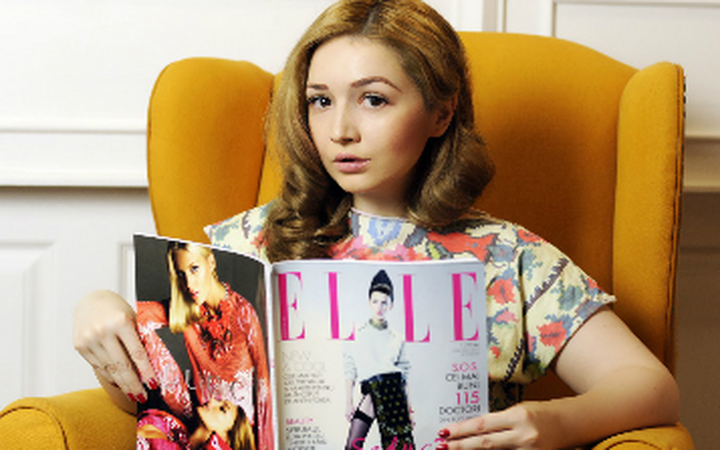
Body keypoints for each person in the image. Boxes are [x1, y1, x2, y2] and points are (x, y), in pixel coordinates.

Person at [74, 0, 681, 448]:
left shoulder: (506, 257)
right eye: (320, 100)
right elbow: (167, 403)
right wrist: (103, 316)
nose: (340, 130)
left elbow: (649, 385)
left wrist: (553, 422)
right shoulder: (248, 244)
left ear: (441, 112)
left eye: (374, 99)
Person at [134, 241, 272, 449]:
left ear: (211, 262)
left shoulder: (243, 313)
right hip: (196, 417)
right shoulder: (187, 308)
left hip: (236, 433)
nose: (189, 284)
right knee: (139, 326)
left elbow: (264, 389)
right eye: (181, 274)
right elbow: (139, 315)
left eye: (194, 269)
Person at [343, 270, 414, 449]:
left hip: (393, 393)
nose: (379, 307)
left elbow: (404, 377)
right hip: (372, 390)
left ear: (391, 305)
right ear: (369, 302)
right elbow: (350, 369)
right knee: (352, 446)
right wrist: (348, 402)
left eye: (384, 302)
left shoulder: (397, 337)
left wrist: (410, 410)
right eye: (375, 301)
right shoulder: (357, 333)